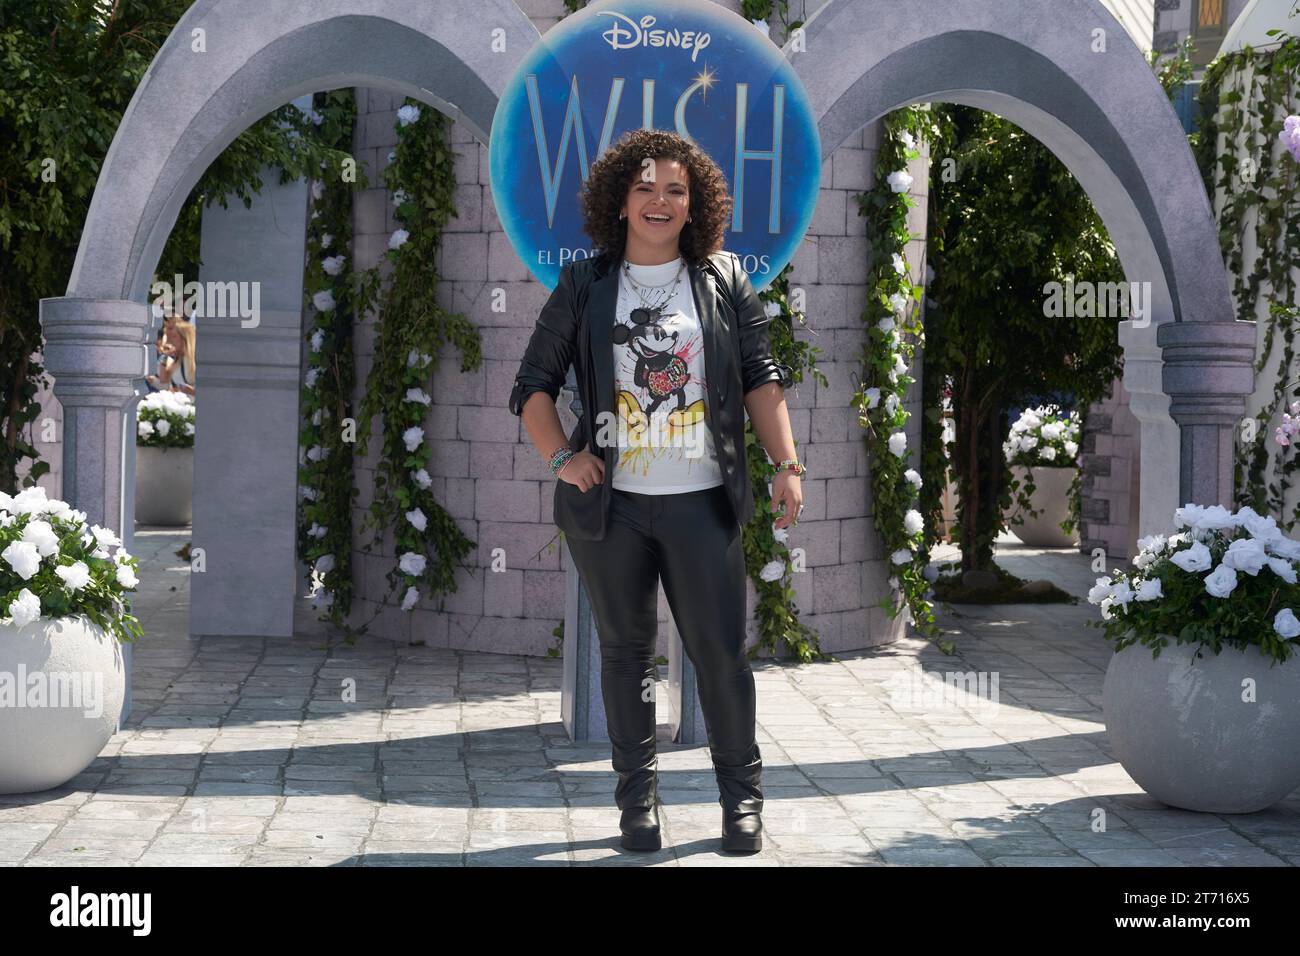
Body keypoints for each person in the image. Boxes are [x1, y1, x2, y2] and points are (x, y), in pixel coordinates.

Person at [509, 128, 804, 854]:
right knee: (625, 655)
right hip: (612, 511)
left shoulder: (724, 279)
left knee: (720, 654)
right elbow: (531, 389)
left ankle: (743, 803)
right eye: (645, 187)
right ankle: (635, 805)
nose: (660, 201)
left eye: (676, 189)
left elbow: (762, 378)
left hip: (703, 503)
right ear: (620, 200)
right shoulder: (585, 284)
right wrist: (562, 460)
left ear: (693, 203)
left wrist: (787, 465)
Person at [161, 314, 197, 395]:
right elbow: (163, 379)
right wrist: (165, 356)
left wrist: (191, 391)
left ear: (184, 338)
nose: (169, 341)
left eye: (174, 336)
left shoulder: (194, 360)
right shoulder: (177, 360)